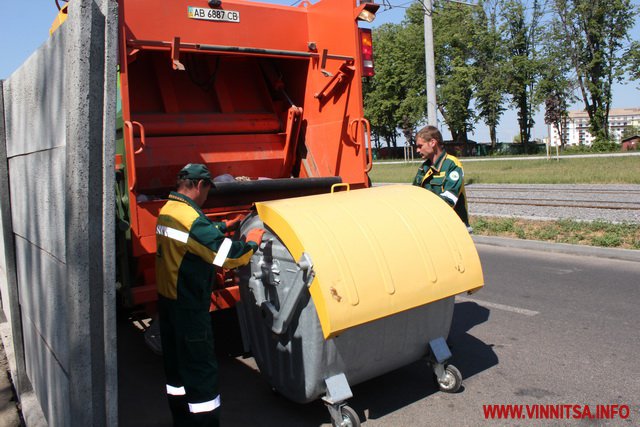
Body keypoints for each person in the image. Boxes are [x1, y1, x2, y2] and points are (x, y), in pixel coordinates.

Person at [155, 163, 265, 426]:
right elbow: (228, 256)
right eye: (207, 191)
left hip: (168, 305)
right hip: (189, 309)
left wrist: (225, 225)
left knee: (177, 374)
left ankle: (181, 420)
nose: (207, 197)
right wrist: (253, 242)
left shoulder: (168, 210)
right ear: (199, 185)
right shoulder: (191, 219)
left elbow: (190, 237)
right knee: (200, 372)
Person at [412, 126, 471, 230]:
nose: (417, 150)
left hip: (454, 228)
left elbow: (449, 199)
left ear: (432, 143)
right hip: (433, 226)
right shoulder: (423, 168)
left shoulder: (452, 165)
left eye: (420, 146)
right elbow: (414, 195)